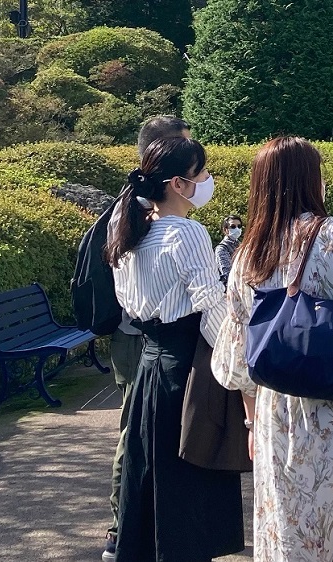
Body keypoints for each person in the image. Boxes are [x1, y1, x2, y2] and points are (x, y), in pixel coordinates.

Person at [213, 136, 333, 562]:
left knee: (287, 526)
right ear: (311, 180)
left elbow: (237, 361)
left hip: (275, 415)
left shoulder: (246, 254)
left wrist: (249, 425)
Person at [105, 136, 244, 562]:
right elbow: (211, 306)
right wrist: (239, 365)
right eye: (201, 173)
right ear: (179, 185)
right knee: (187, 474)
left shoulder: (130, 231)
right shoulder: (187, 232)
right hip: (188, 367)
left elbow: (128, 306)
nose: (207, 180)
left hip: (149, 364)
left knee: (146, 470)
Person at [103, 115, 191, 562]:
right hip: (145, 340)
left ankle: (133, 532)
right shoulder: (144, 213)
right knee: (137, 440)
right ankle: (124, 529)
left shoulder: (135, 206)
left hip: (144, 336)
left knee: (141, 439)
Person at [215, 215, 243, 282]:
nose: (237, 229)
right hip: (231, 287)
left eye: (239, 226)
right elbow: (227, 273)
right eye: (233, 226)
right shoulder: (221, 248)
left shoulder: (240, 245)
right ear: (225, 230)